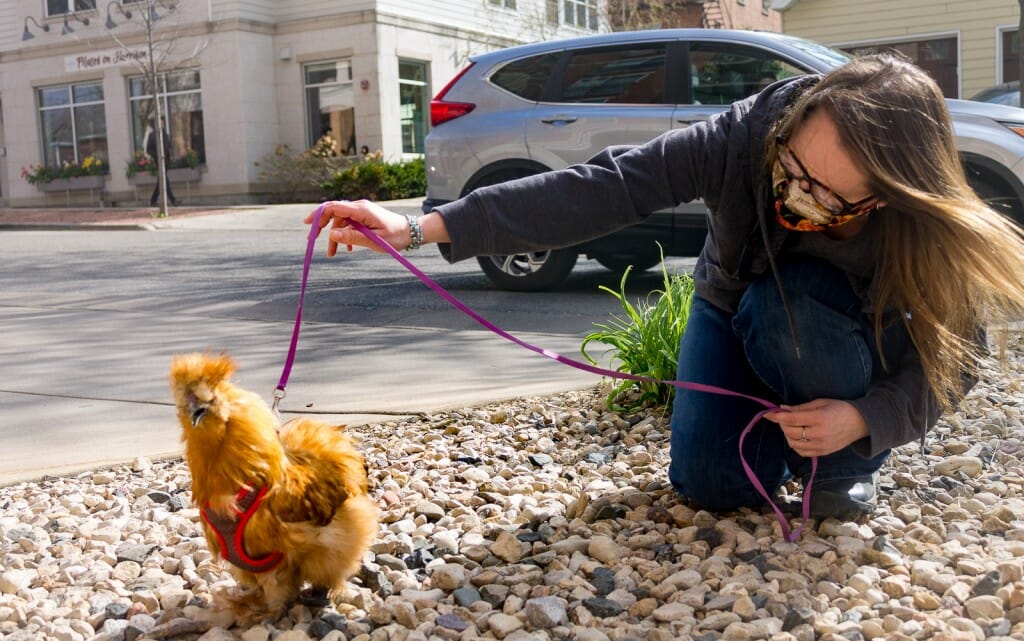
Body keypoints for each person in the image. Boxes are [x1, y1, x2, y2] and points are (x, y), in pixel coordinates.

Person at [307, 54, 1024, 521]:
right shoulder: (748, 133)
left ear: (883, 200)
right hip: (729, 304)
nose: (790, 196)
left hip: (819, 329)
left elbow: (956, 360)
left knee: (793, 309)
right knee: (711, 485)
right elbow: (600, 188)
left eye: (821, 195)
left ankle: (836, 466)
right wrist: (416, 227)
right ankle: (777, 438)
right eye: (789, 169)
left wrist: (865, 418)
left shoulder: (924, 227)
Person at [146, 125, 180, 207]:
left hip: (166, 162)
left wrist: (171, 155)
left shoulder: (166, 135)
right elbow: (148, 150)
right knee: (164, 180)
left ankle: (153, 200)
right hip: (158, 162)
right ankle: (173, 200)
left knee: (161, 181)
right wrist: (157, 155)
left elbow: (170, 147)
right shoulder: (152, 135)